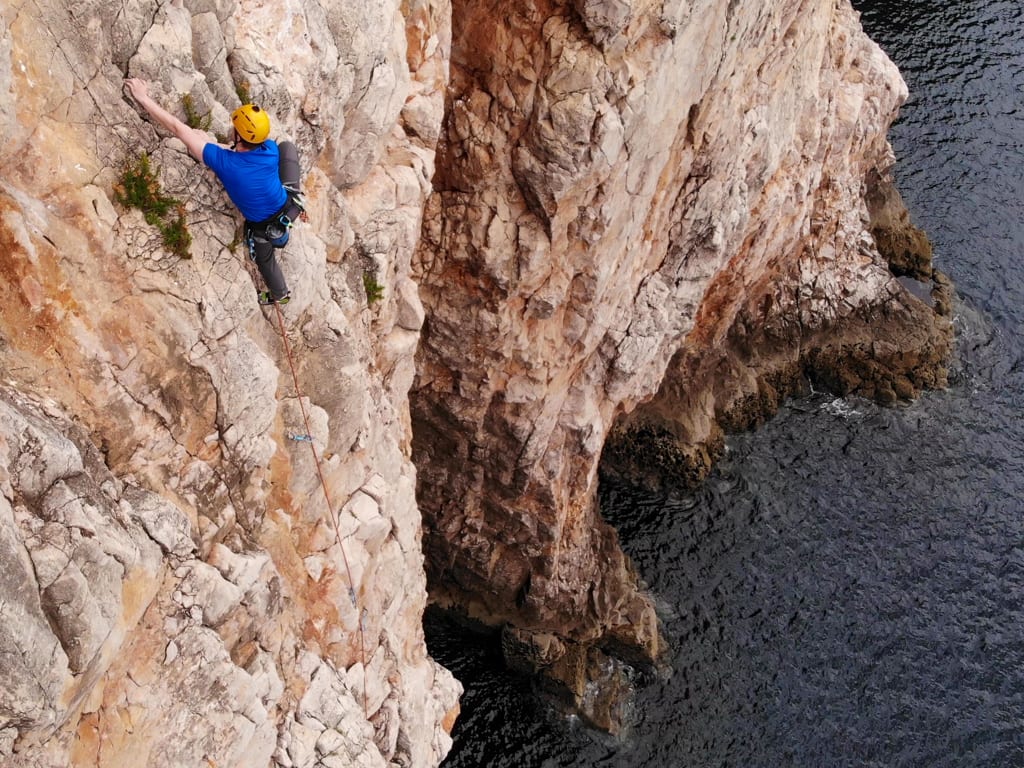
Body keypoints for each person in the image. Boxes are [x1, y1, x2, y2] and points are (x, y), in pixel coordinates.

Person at [124, 78, 303, 305]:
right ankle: (281, 292)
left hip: (261, 228)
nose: (231, 129)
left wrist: (143, 98)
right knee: (287, 147)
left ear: (239, 136)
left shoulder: (224, 163)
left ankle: (280, 295)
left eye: (235, 129)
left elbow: (178, 129)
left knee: (265, 260)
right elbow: (236, 154)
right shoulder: (270, 150)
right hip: (286, 205)